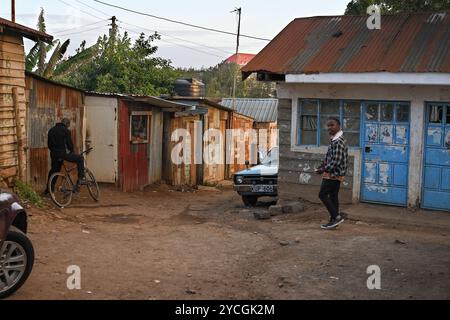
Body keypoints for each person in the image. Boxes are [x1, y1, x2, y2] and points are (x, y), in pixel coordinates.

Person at [315, 117, 349, 230]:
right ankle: (333, 221)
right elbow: (330, 157)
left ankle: (336, 217)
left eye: (332, 125)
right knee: (333, 196)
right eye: (328, 125)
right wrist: (322, 166)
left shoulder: (338, 141)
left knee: (322, 194)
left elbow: (336, 161)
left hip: (333, 174)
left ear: (339, 126)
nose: (329, 127)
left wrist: (323, 170)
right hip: (335, 173)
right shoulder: (335, 139)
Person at [43, 118, 85, 195]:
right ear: (67, 124)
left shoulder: (51, 130)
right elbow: (69, 144)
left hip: (54, 154)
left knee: (54, 171)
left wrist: (54, 151)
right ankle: (80, 179)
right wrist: (72, 152)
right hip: (63, 154)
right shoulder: (66, 131)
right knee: (80, 158)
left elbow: (49, 144)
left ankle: (48, 190)